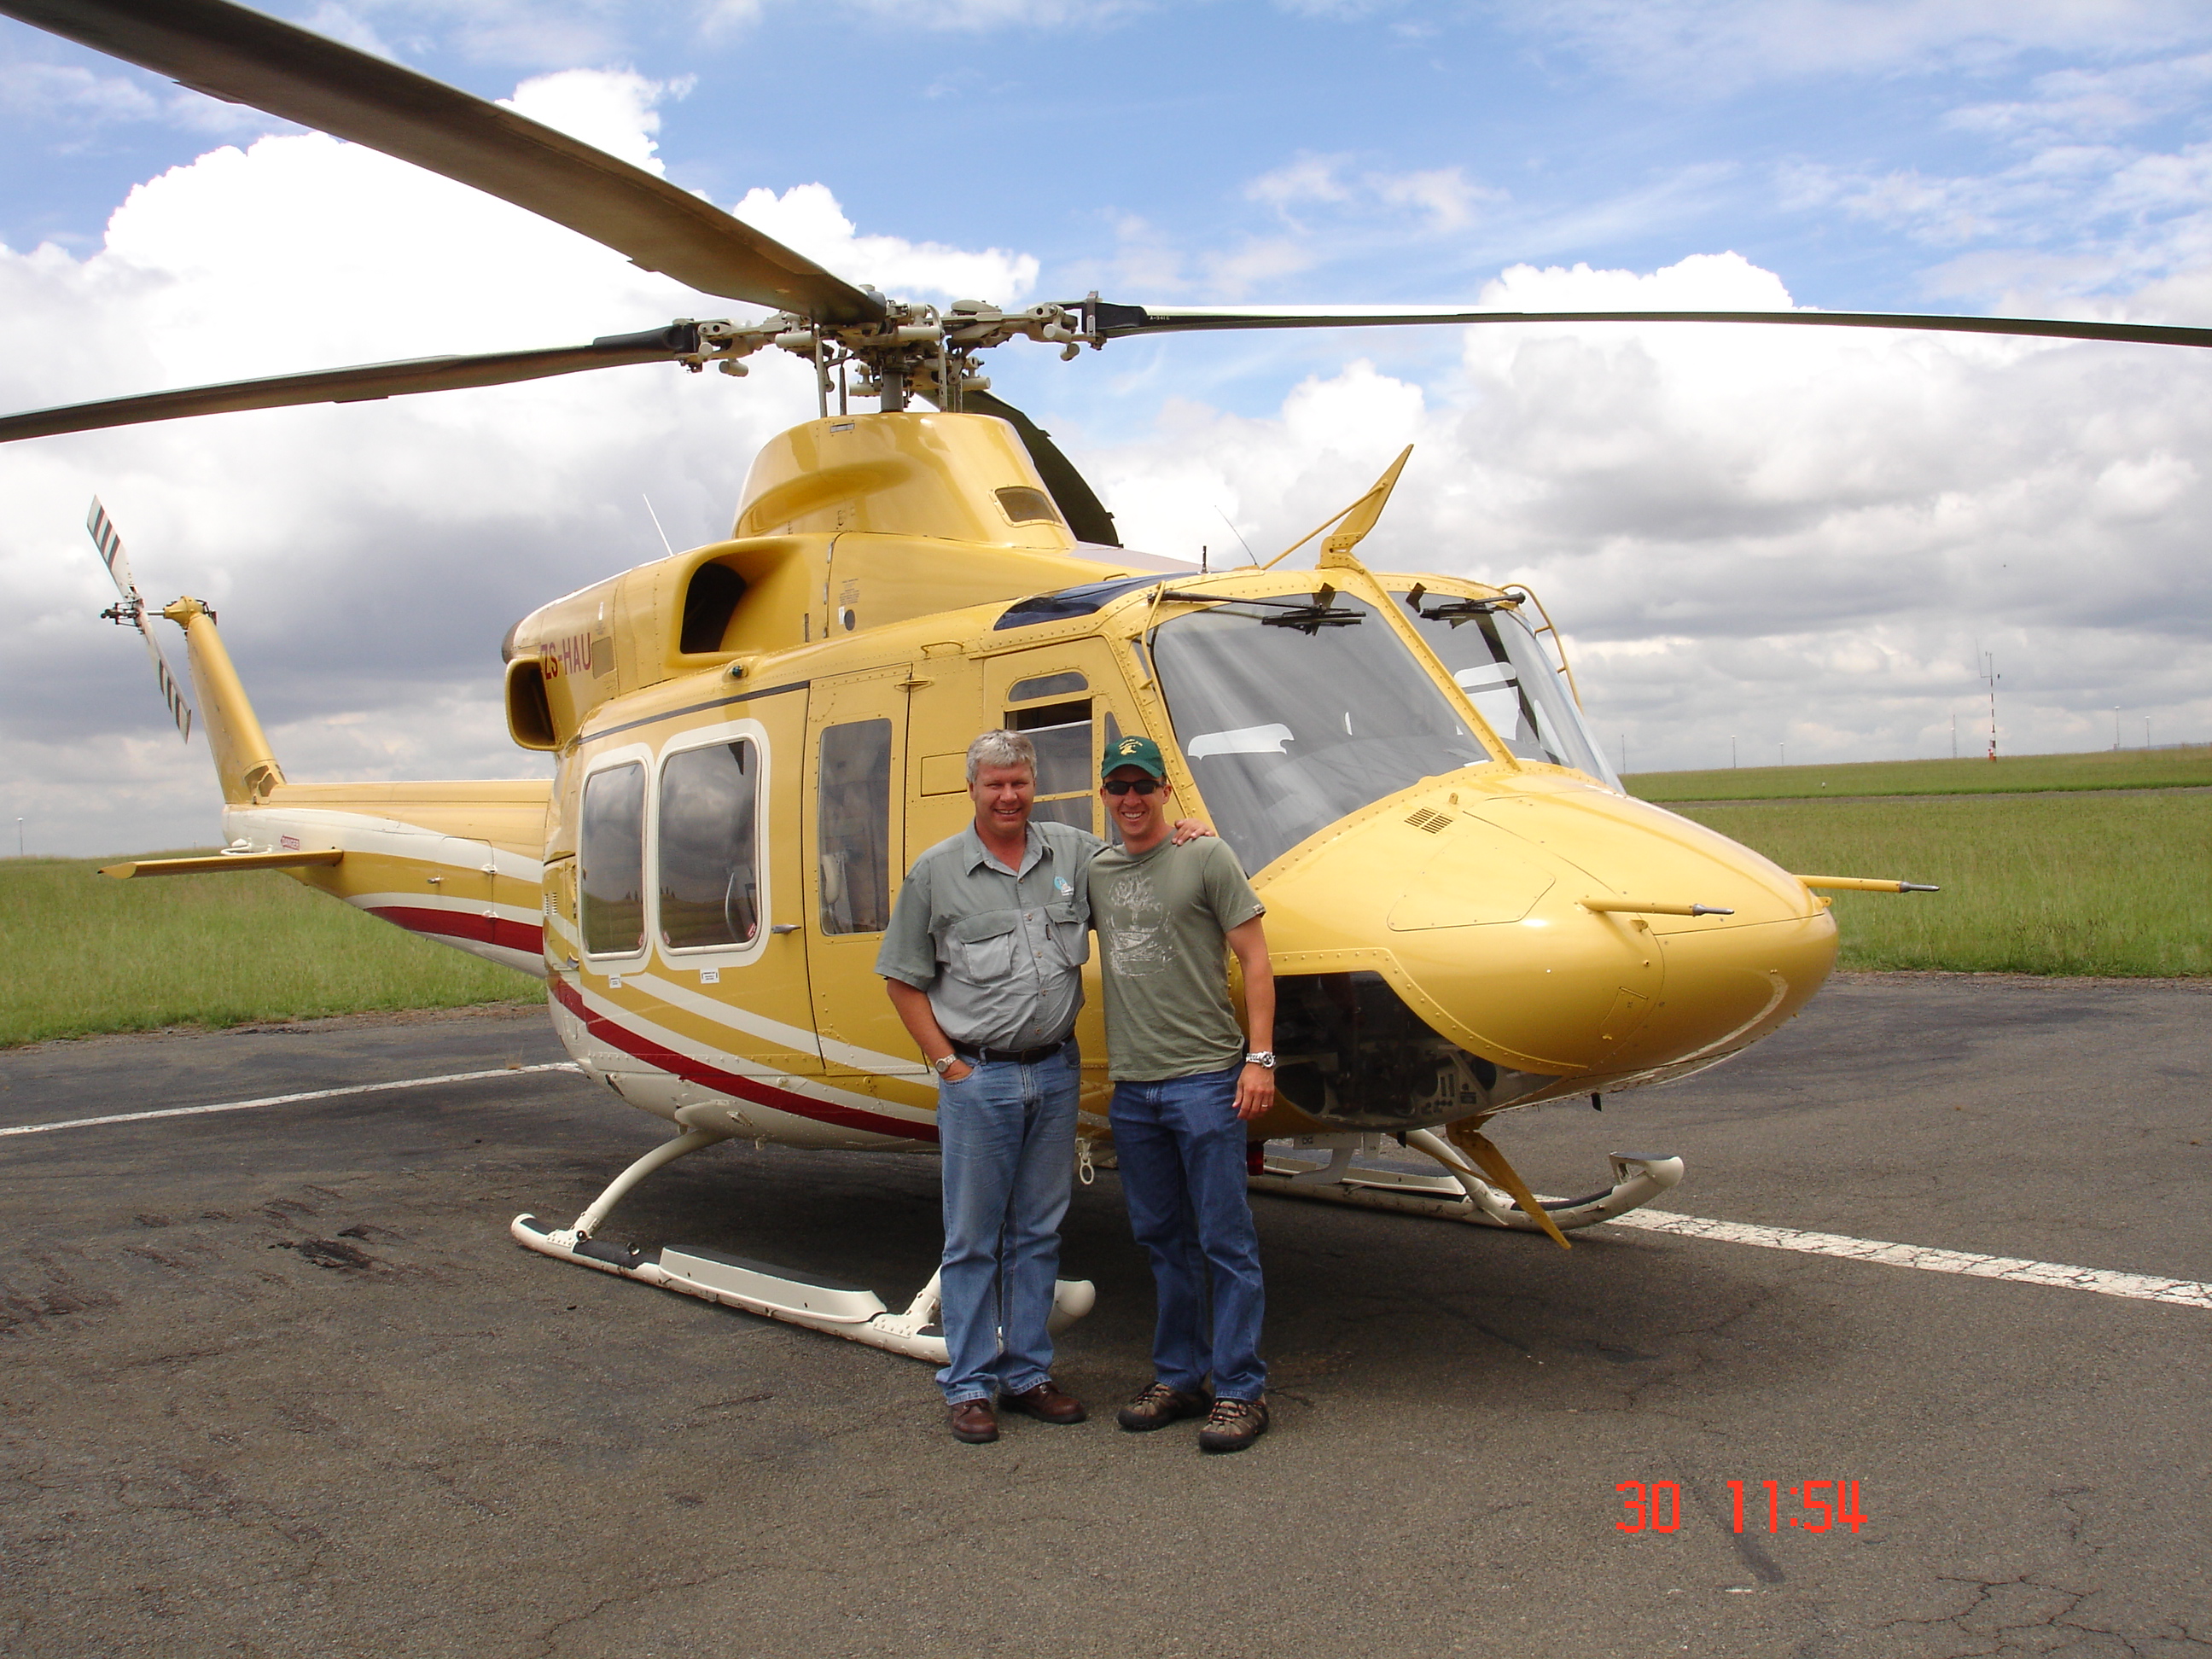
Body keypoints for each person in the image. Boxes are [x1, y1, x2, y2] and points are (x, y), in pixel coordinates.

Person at [876, 729, 1211, 1446]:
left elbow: (1142, 856)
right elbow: (902, 979)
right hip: (980, 1077)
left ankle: (1028, 1373)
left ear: (1035, 786)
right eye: (995, 784)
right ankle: (970, 1384)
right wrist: (948, 1065)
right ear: (972, 789)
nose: (1008, 796)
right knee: (972, 1239)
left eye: (1019, 783)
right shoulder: (935, 873)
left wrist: (1189, 833)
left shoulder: (1074, 854)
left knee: (1037, 1231)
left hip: (1055, 1072)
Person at [1086, 734, 1278, 1454]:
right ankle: (1179, 1375)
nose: (1131, 799)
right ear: (1104, 796)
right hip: (1135, 1090)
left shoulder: (1207, 856)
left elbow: (1255, 960)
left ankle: (1241, 1389)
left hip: (1205, 1080)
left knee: (1225, 1240)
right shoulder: (1098, 870)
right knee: (1163, 1241)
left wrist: (1259, 1060)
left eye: (1144, 785)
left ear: (1166, 791)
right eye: (1119, 787)